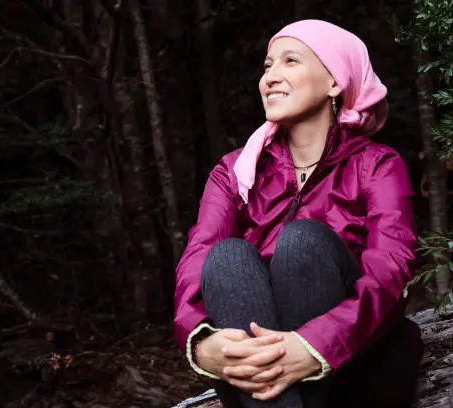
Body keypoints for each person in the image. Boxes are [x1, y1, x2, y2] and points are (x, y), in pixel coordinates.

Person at [174, 20, 424, 408]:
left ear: (335, 82)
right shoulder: (233, 171)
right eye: (268, 65)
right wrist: (202, 342)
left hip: (355, 361)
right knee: (225, 258)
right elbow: (197, 258)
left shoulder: (377, 165)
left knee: (303, 240)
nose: (270, 76)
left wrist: (314, 347)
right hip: (255, 376)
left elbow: (390, 272)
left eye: (290, 61)